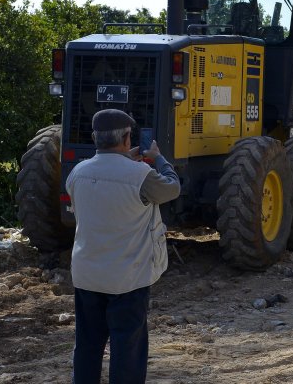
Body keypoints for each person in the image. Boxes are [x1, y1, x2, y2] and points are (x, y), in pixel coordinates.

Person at [66, 109, 180, 383]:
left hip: (87, 276)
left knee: (87, 346)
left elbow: (105, 185)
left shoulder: (77, 172)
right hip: (127, 279)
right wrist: (158, 158)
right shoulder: (141, 175)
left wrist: (123, 161)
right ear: (128, 138)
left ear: (95, 137)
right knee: (127, 350)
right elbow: (172, 188)